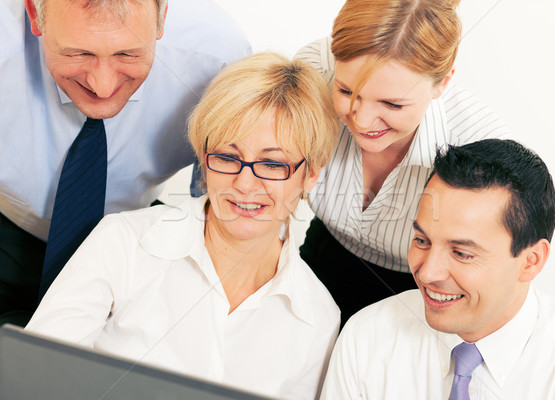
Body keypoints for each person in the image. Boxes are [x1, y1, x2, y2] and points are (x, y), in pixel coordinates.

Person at [26, 52, 341, 400]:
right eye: (226, 157)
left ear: (311, 173)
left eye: (271, 164)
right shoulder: (123, 243)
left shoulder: (319, 317)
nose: (246, 184)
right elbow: (35, 380)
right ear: (204, 162)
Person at [0, 0, 250, 326]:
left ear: (162, 20)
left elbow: (216, 203)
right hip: (10, 230)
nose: (103, 88)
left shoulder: (217, 56)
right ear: (35, 14)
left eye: (127, 55)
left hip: (134, 245)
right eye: (79, 54)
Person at [321, 139, 555, 399]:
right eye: (422, 240)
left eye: (462, 254)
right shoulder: (367, 338)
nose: (428, 273)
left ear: (531, 261)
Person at [294, 0, 511, 324]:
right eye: (346, 91)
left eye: (392, 104)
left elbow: (492, 272)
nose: (363, 121)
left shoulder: (479, 144)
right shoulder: (315, 70)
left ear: (443, 82)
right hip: (319, 254)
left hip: (420, 295)